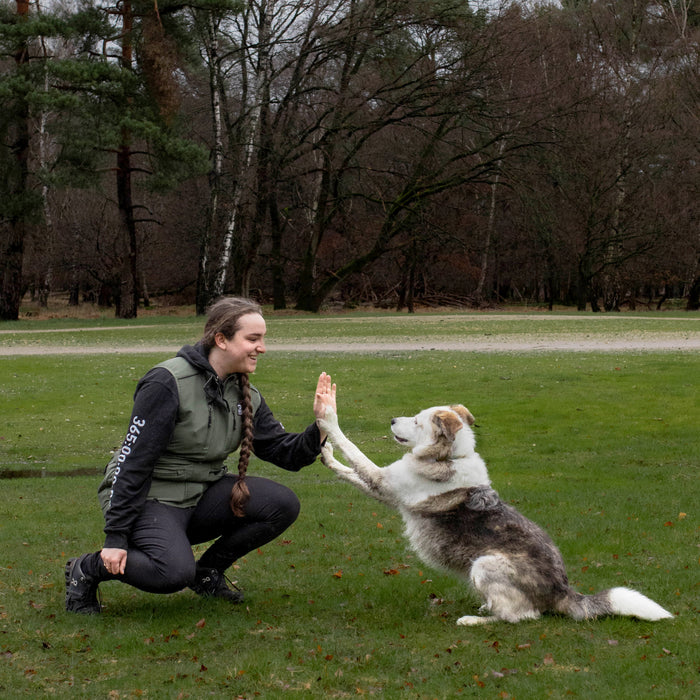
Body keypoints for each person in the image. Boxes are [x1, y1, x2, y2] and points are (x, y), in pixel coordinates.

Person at [65, 297, 336, 614]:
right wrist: (115, 537)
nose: (262, 348)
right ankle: (85, 569)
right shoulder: (167, 382)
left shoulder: (244, 392)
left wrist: (321, 423)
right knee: (173, 573)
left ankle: (207, 573)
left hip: (200, 493)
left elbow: (284, 453)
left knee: (282, 504)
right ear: (221, 339)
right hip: (150, 497)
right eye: (253, 339)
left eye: (262, 339)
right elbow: (133, 464)